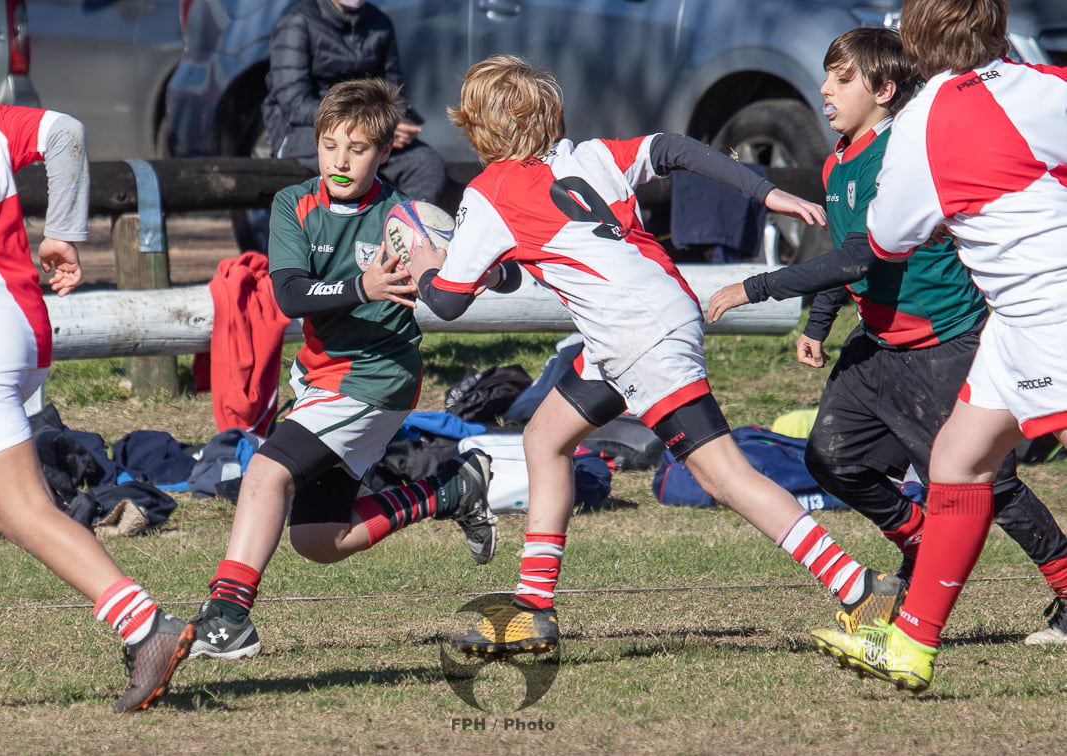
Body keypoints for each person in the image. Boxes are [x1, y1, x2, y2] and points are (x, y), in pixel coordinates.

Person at [407, 54, 907, 660]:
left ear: (477, 125)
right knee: (545, 436)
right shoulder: (584, 156)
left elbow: (446, 303)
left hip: (634, 333)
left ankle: (861, 590)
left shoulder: (489, 192)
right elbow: (672, 148)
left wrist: (424, 261)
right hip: (652, 313)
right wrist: (765, 191)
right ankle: (533, 607)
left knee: (722, 475)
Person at [706, 27, 1067, 644]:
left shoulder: (906, 150)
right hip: (876, 345)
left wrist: (757, 287)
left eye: (841, 79)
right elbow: (845, 245)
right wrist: (818, 323)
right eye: (827, 75)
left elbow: (861, 259)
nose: (824, 89)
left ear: (884, 90)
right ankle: (925, 543)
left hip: (941, 343)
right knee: (833, 458)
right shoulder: (838, 159)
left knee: (988, 483)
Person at [0, 4, 193, 711]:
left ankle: (145, 625)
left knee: (21, 511)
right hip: (10, 328)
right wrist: (64, 234)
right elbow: (66, 133)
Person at [804, 0, 1067, 692]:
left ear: (912, 38)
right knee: (957, 459)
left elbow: (888, 239)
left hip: (1050, 311)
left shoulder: (922, 122)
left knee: (965, 464)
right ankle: (912, 644)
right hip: (1013, 323)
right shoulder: (1043, 85)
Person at [189, 78, 497, 660]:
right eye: (330, 145)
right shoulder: (295, 204)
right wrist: (364, 285)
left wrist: (468, 269)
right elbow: (289, 295)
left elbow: (470, 273)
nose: (341, 160)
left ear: (385, 153)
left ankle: (228, 619)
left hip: (376, 377)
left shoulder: (405, 219)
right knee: (320, 539)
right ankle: (451, 489)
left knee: (265, 474)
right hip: (319, 376)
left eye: (357, 149)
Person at [248, 0, 447, 253]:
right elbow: (294, 101)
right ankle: (344, 251)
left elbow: (392, 91)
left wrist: (392, 122)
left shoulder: (380, 23)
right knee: (343, 161)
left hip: (367, 129)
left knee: (426, 162)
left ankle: (404, 244)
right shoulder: (297, 20)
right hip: (306, 129)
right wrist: (358, 125)